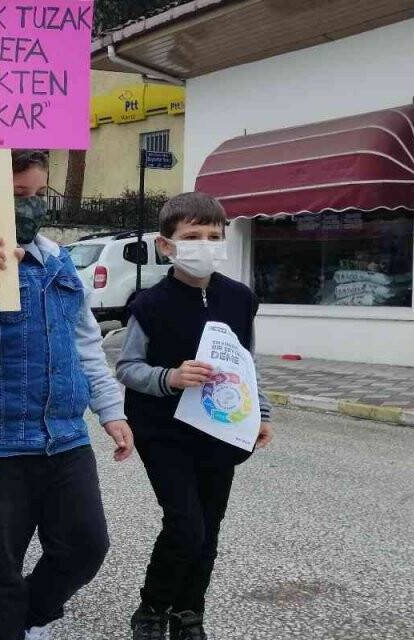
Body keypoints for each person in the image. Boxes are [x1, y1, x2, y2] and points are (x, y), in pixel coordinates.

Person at [0, 149, 134, 640]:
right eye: (18, 195)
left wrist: (110, 408)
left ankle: (28, 617)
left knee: (87, 545)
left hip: (63, 436)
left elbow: (84, 341)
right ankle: (6, 626)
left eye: (39, 195)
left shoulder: (60, 261)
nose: (32, 206)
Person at [116, 192, 275, 640]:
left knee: (209, 526)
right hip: (163, 431)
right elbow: (127, 368)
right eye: (192, 236)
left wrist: (259, 412)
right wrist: (170, 377)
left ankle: (189, 613)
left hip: (220, 431)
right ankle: (151, 606)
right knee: (184, 522)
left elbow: (247, 362)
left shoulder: (240, 299)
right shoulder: (149, 304)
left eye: (213, 235)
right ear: (166, 245)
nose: (204, 244)